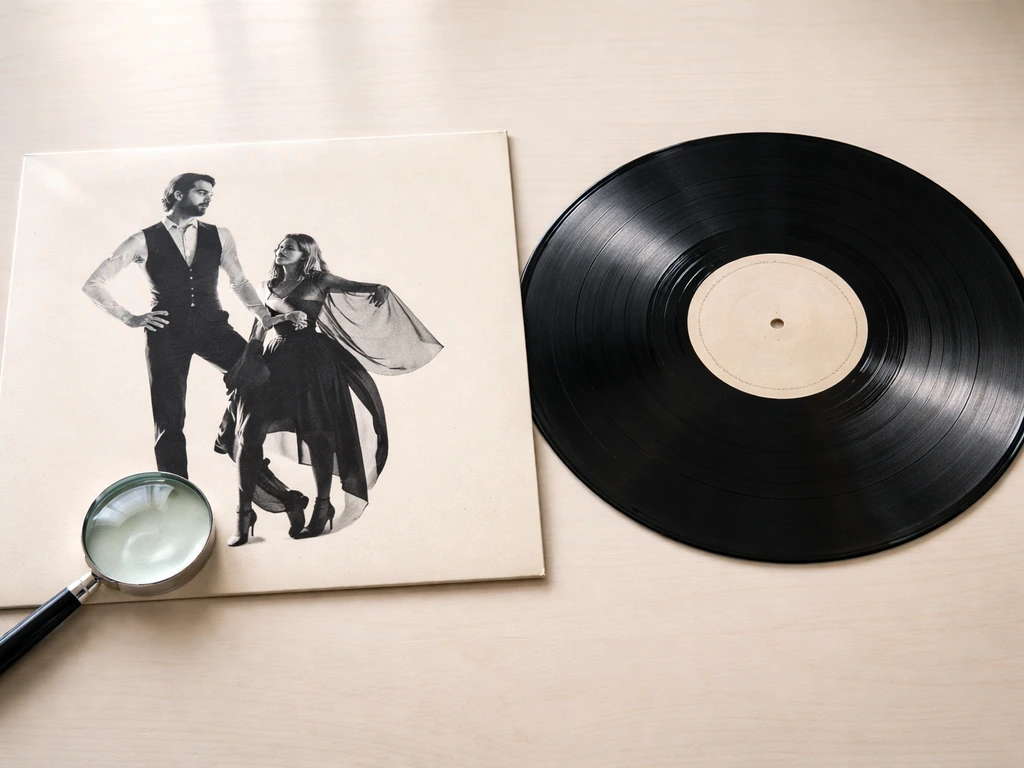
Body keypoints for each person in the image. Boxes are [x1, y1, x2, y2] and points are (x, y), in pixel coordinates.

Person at [214, 233, 442, 546]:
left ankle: (322, 507)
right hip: (273, 361)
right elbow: (260, 323)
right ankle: (244, 514)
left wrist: (380, 288)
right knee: (246, 434)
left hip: (310, 361)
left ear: (305, 253)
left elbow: (363, 288)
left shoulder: (320, 279)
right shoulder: (269, 285)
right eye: (279, 246)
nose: (280, 250)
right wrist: (248, 361)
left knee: (316, 433)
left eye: (289, 248)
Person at [81, 173, 292, 506]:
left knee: (261, 375)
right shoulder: (142, 240)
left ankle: (227, 431)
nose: (208, 198)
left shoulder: (219, 235)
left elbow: (238, 282)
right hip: (166, 335)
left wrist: (264, 317)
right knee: (169, 419)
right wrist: (131, 317)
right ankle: (179, 498)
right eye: (201, 192)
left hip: (213, 327)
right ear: (177, 194)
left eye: (211, 194)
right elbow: (94, 283)